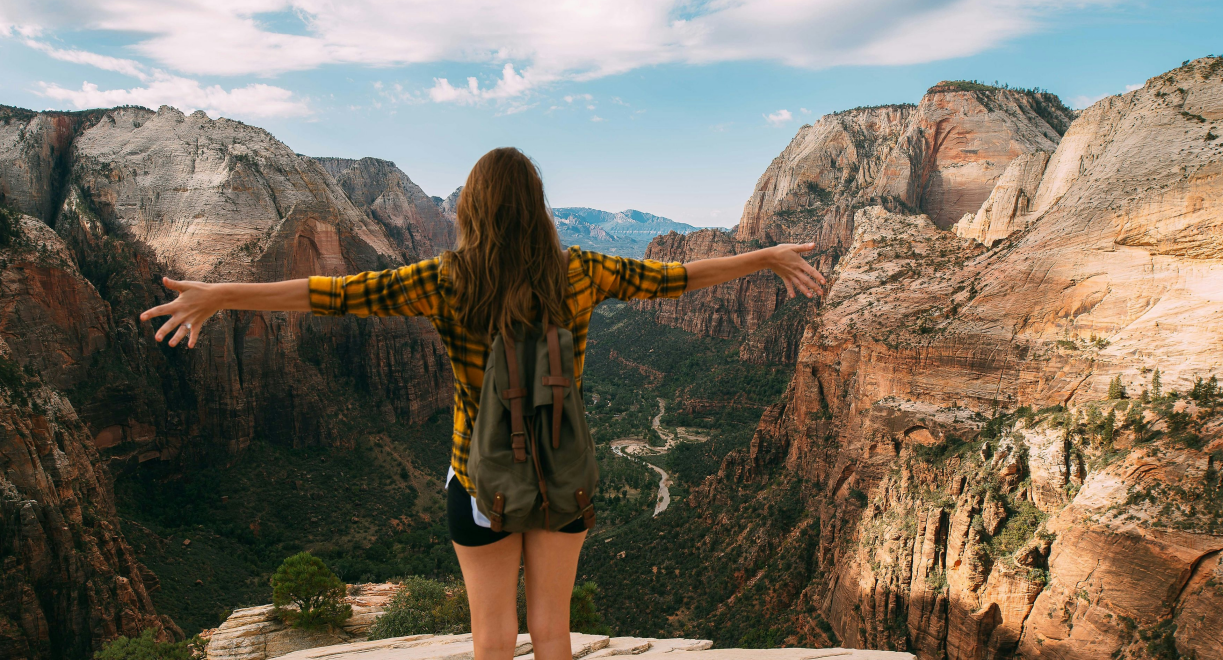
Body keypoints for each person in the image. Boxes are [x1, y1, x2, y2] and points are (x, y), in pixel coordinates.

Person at [139, 147, 825, 659]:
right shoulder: (580, 271)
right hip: (565, 477)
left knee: (492, 635)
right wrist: (760, 258)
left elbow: (332, 293)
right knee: (552, 632)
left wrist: (225, 294)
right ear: (537, 208)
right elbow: (674, 280)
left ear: (470, 211)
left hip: (478, 480)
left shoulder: (446, 279)